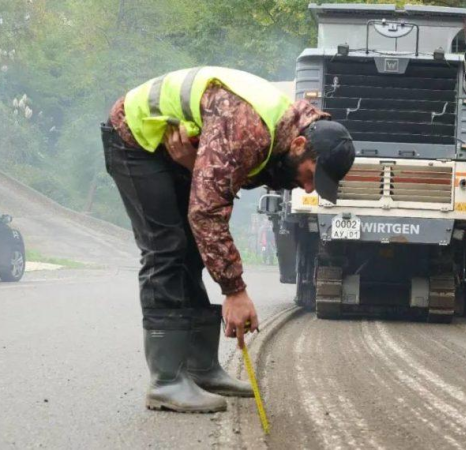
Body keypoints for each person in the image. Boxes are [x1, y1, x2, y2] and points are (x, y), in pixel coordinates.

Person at [101, 67, 355, 413]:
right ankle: (166, 381)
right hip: (134, 139)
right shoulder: (248, 127)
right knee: (167, 248)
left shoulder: (290, 130)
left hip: (174, 150)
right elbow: (207, 212)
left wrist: (197, 165)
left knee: (192, 248)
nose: (309, 188)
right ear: (299, 145)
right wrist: (234, 290)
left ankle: (201, 369)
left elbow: (232, 179)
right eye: (311, 176)